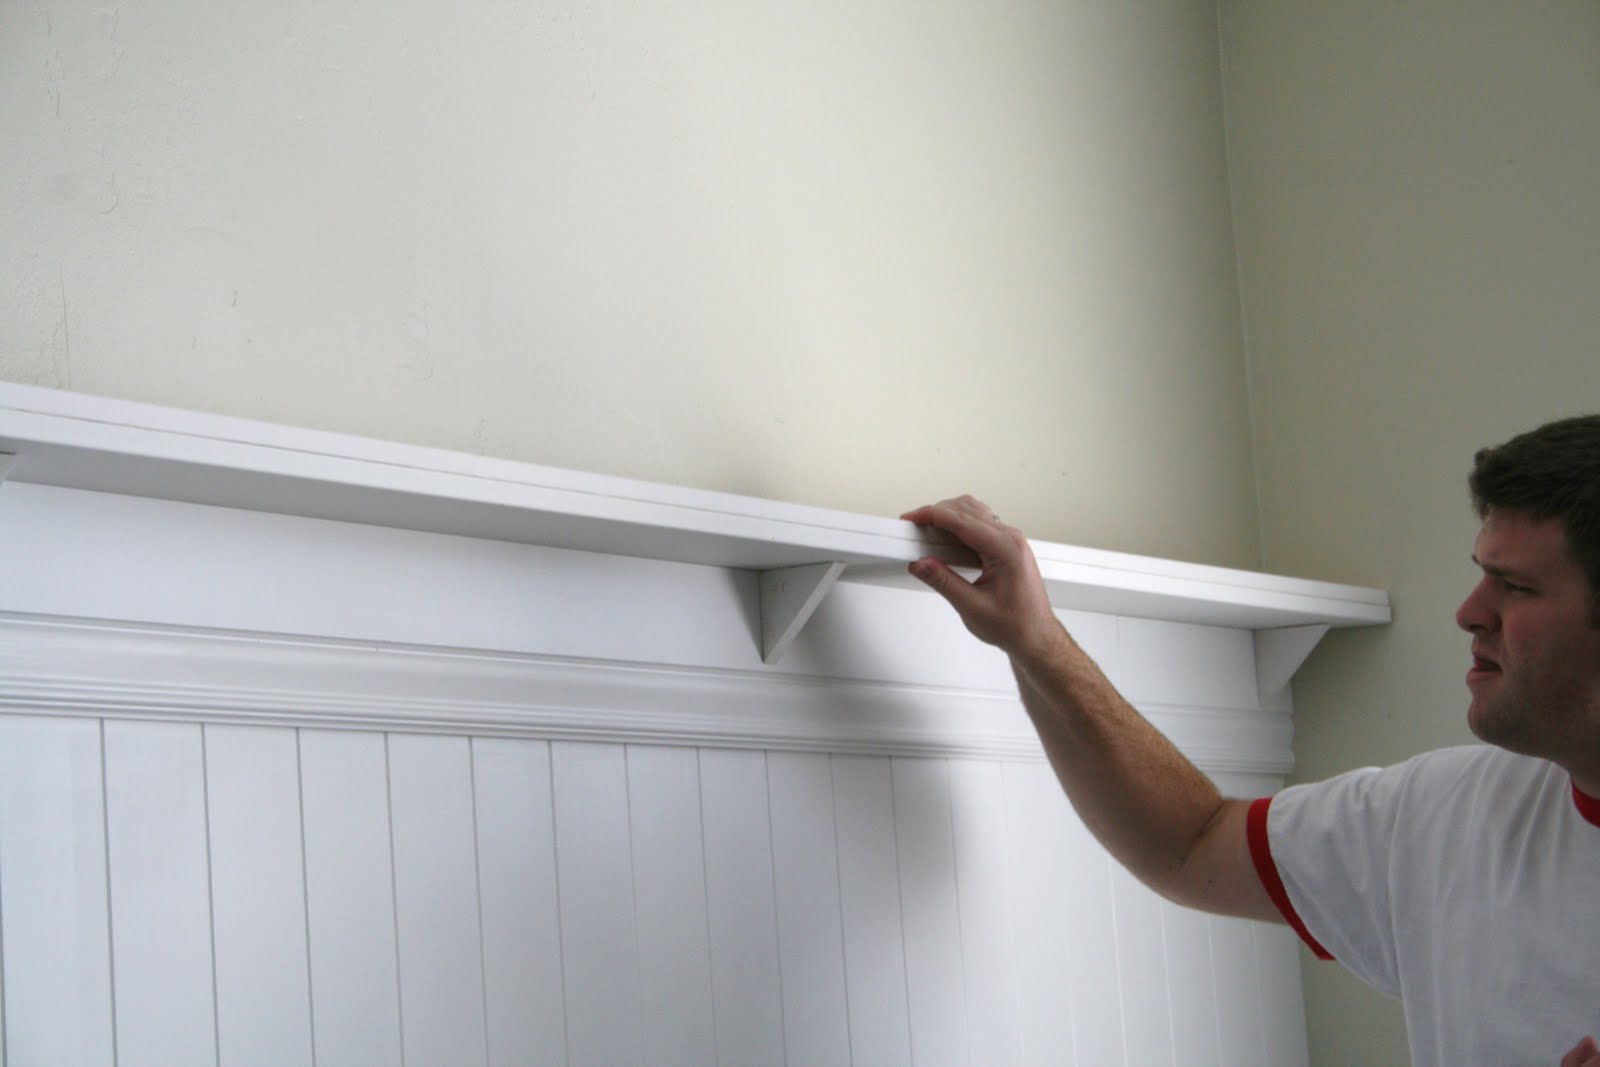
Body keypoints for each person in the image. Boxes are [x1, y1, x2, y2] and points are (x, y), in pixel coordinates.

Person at [902, 415, 1600, 1067]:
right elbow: (1191, 843)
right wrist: (1037, 641)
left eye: (1514, 586)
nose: (1470, 612)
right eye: (1482, 572)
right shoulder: (1446, 816)